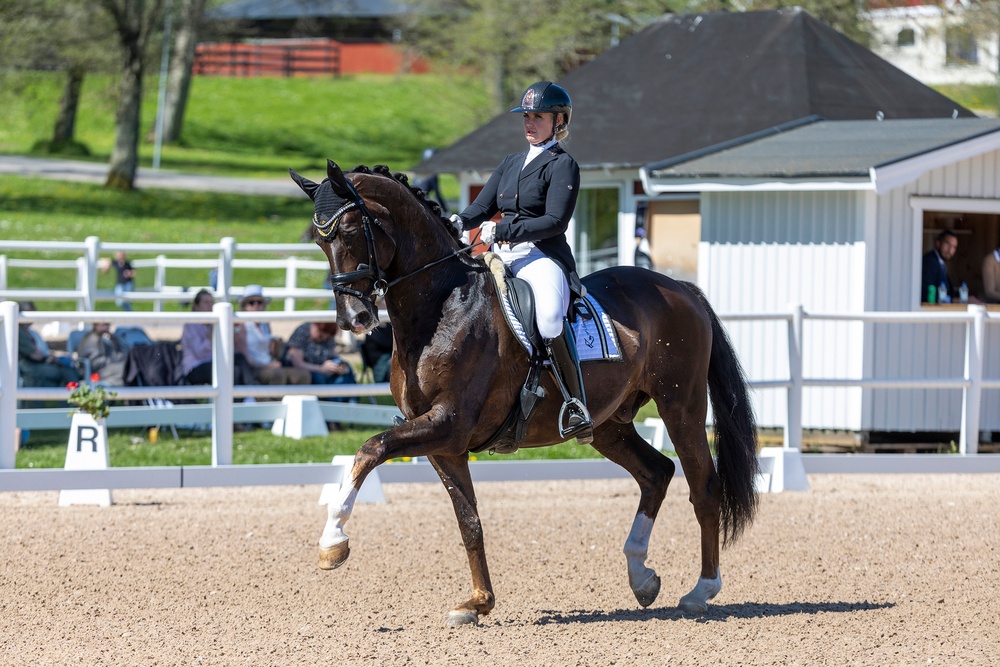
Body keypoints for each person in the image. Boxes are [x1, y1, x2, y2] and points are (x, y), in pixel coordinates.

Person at [448, 80, 593, 444]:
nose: (530, 123)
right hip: (501, 253)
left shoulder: (563, 165)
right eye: (526, 117)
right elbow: (480, 208)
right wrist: (455, 222)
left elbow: (555, 221)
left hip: (541, 255)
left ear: (559, 121)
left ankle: (575, 404)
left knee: (547, 318)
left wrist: (504, 228)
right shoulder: (510, 162)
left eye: (538, 117)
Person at [237, 285, 310, 385]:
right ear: (245, 306)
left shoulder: (265, 323)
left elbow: (270, 353)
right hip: (254, 369)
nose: (256, 305)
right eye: (251, 302)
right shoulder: (241, 325)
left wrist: (275, 346)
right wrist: (267, 365)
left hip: (269, 365)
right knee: (277, 374)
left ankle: (298, 400)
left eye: (260, 302)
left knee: (302, 375)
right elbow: (244, 357)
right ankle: (274, 400)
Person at [180, 288, 255, 386]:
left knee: (239, 359)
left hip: (215, 363)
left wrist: (234, 336)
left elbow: (228, 350)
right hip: (196, 367)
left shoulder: (215, 323)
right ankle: (246, 396)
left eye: (212, 302)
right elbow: (199, 353)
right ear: (197, 306)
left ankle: (252, 393)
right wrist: (210, 337)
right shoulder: (190, 326)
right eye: (206, 302)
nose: (210, 306)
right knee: (233, 371)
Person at [285, 322, 358, 401]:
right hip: (309, 368)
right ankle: (336, 404)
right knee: (320, 378)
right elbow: (297, 363)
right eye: (321, 336)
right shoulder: (302, 332)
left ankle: (349, 401)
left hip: (325, 367)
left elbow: (333, 354)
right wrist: (321, 369)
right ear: (315, 327)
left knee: (346, 371)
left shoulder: (328, 335)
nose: (322, 339)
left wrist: (339, 366)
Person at [16, 301, 81, 388]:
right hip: (30, 368)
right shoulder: (19, 333)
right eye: (28, 313)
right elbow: (35, 355)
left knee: (67, 368)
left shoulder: (31, 332)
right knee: (65, 370)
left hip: (38, 364)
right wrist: (49, 358)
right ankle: (74, 396)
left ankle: (72, 396)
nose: (30, 317)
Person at [921, 230, 958, 303]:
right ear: (938, 243)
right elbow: (928, 291)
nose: (950, 250)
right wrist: (955, 300)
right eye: (948, 244)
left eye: (954, 247)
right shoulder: (930, 262)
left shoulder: (939, 261)